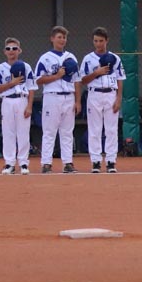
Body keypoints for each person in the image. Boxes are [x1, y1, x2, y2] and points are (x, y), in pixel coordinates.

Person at [34, 25, 81, 174]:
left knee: (67, 131)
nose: (62, 40)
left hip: (68, 96)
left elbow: (77, 80)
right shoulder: (45, 57)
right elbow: (38, 80)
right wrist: (56, 76)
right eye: (59, 37)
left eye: (64, 37)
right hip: (52, 96)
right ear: (52, 39)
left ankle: (68, 163)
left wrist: (78, 100)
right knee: (49, 131)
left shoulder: (71, 57)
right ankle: (46, 163)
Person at [78, 27, 125, 173]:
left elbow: (120, 79)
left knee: (111, 129)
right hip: (94, 94)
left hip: (110, 93)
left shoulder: (115, 58)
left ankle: (111, 160)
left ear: (107, 41)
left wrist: (118, 99)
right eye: (96, 41)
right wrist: (96, 73)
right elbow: (82, 80)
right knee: (95, 129)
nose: (98, 44)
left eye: (101, 41)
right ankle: (96, 161)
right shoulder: (88, 58)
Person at [0, 38, 34, 175]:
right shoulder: (0, 68)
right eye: (8, 49)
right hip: (7, 100)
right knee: (8, 132)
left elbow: (32, 87)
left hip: (22, 99)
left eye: (14, 48)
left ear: (19, 51)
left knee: (23, 132)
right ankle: (9, 163)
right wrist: (12, 83)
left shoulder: (26, 66)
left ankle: (23, 163)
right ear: (4, 51)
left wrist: (29, 106)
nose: (11, 51)